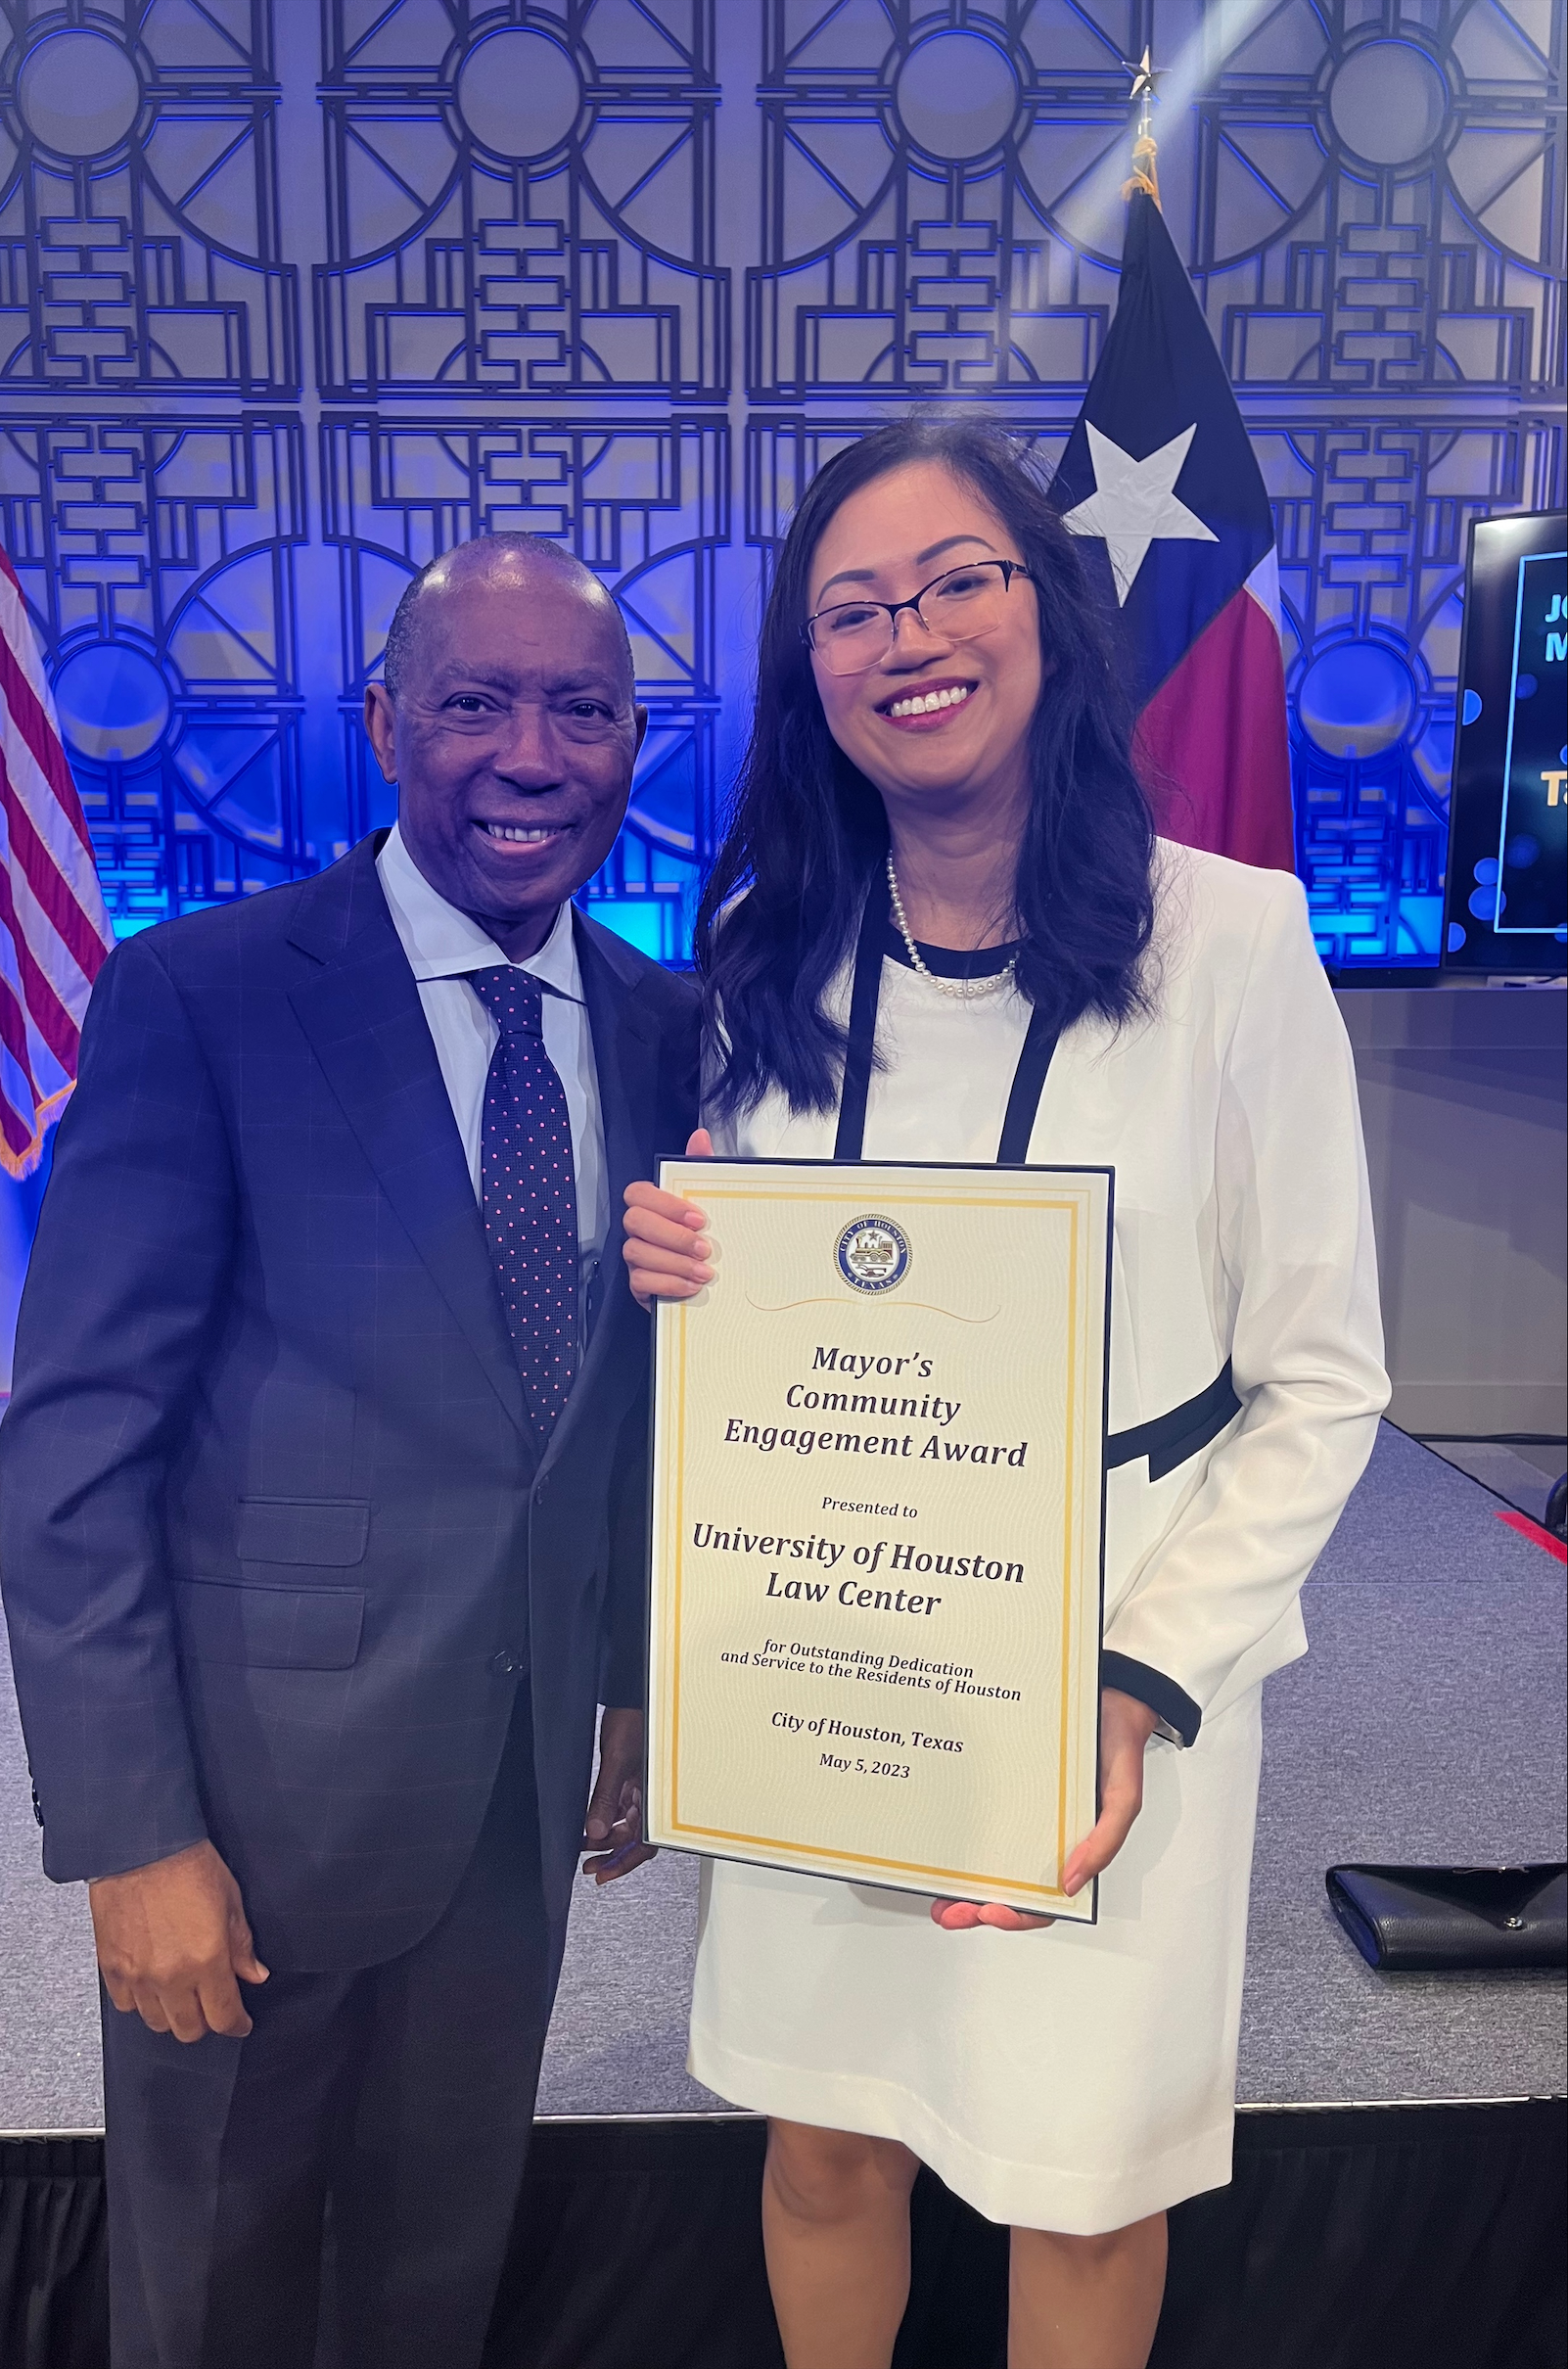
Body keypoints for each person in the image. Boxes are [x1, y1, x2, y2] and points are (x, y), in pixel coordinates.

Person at [622, 416, 1388, 2369]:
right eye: (851, 605)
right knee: (819, 2140)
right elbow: (750, 1340)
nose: (908, 636)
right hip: (830, 1646)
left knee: (1078, 2173)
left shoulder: (1232, 945)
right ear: (811, 670)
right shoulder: (759, 956)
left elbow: (1319, 1380)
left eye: (955, 579)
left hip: (1105, 1675)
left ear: (1043, 611)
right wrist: (678, 1272)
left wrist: (1140, 1677)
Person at [0, 534, 697, 2369]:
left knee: (430, 2265)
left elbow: (629, 1409)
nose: (529, 755)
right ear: (387, 723)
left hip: (522, 1788)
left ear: (636, 745)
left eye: (583, 711)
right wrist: (130, 1836)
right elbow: (78, 1447)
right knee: (216, 2270)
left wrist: (633, 1690)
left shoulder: (668, 1028)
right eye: (475, 702)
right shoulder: (202, 997)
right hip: (249, 1801)